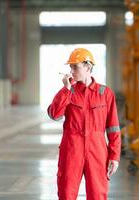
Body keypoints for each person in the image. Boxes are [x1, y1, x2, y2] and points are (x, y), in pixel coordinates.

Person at [47, 48, 121, 200]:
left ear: (88, 67)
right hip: (72, 149)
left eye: (75, 66)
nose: (71, 70)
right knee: (66, 193)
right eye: (71, 67)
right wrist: (66, 89)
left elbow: (113, 128)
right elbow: (54, 114)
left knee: (98, 195)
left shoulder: (105, 94)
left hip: (97, 150)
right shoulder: (69, 92)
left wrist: (114, 156)